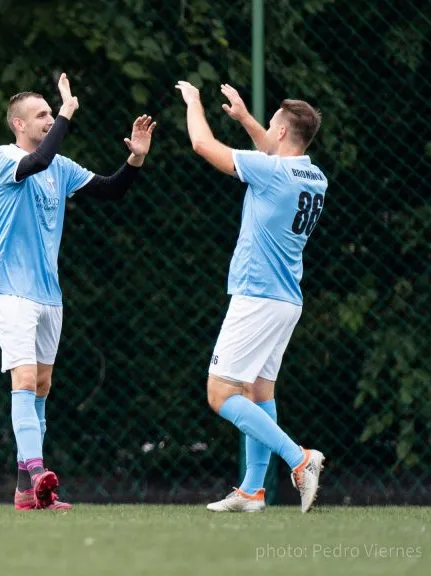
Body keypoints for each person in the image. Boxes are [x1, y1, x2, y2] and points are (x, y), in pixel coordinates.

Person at [0, 73, 156, 510]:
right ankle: (40, 471)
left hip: (49, 296)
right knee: (23, 381)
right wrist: (66, 110)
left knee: (42, 386)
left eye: (50, 114)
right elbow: (37, 161)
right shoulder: (5, 158)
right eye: (39, 115)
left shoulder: (60, 167)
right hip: (12, 291)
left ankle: (26, 492)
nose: (48, 120)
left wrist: (135, 160)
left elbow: (110, 190)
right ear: (19, 124)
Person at [174, 80, 327, 513]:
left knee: (221, 393)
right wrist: (243, 117)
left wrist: (195, 102)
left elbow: (202, 144)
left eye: (272, 127)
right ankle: (252, 491)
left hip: (257, 295)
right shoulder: (314, 176)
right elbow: (274, 148)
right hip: (286, 300)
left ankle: (300, 460)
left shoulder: (272, 172)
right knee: (258, 390)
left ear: (281, 133)